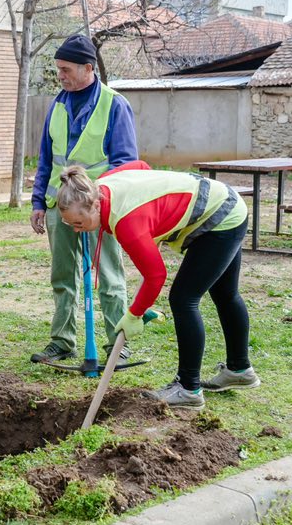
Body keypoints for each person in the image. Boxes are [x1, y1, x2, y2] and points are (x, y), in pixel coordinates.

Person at [56, 161, 260, 410]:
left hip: (219, 215)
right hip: (224, 199)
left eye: (78, 223)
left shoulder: (127, 223)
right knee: (224, 292)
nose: (77, 230)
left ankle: (188, 389)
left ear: (96, 205)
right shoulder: (99, 186)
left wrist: (134, 315)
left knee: (184, 299)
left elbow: (156, 276)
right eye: (70, 224)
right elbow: (141, 166)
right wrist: (157, 214)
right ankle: (239, 370)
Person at [30, 33, 138, 366]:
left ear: (88, 68)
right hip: (59, 209)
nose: (59, 75)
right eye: (58, 68)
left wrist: (98, 202)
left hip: (97, 211)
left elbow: (125, 163)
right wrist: (38, 203)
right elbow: (47, 159)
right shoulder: (58, 104)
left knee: (108, 277)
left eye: (65, 69)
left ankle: (118, 345)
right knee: (62, 276)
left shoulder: (114, 105)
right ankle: (63, 341)